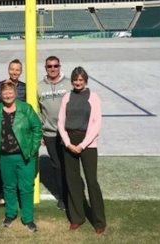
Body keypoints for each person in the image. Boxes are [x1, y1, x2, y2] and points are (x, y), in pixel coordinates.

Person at [58, 67, 106, 234]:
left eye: (81, 80)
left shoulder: (93, 97)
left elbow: (96, 124)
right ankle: (77, 217)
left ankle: (99, 220)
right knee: (72, 181)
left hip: (88, 143)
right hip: (69, 142)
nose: (78, 83)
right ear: (72, 81)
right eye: (75, 80)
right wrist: (68, 143)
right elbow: (60, 122)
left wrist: (82, 145)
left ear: (85, 80)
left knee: (91, 181)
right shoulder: (67, 97)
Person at [0, 81, 42, 233]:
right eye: (4, 92)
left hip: (24, 156)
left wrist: (33, 149)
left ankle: (28, 218)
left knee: (26, 188)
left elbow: (37, 128)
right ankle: (11, 214)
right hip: (5, 157)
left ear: (15, 93)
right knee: (9, 187)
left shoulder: (25, 108)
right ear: (1, 95)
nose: (7, 95)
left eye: (10, 91)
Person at [38, 55, 69, 210]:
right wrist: (41, 129)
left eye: (55, 66)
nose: (52, 69)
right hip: (50, 133)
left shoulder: (69, 84)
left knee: (69, 164)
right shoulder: (39, 86)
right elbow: (37, 109)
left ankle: (72, 194)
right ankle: (62, 197)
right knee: (56, 165)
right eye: (49, 66)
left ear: (60, 66)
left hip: (68, 133)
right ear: (45, 68)